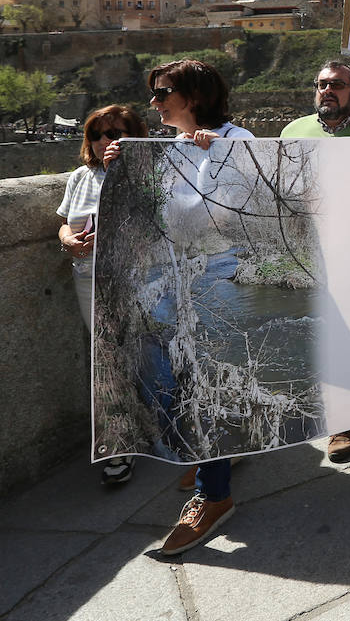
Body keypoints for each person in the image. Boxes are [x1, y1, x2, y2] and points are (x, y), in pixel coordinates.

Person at [145, 59, 255, 556]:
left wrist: (220, 159)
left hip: (222, 281)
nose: (155, 101)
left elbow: (237, 215)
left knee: (204, 381)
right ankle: (222, 455)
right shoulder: (169, 151)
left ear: (194, 96)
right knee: (182, 379)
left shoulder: (239, 142)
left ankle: (212, 496)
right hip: (179, 283)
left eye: (163, 92)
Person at [281, 61, 350, 464]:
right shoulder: (292, 132)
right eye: (321, 84)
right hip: (312, 252)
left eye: (337, 85)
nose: (327, 91)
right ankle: (340, 416)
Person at [58, 104, 148, 486]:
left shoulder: (144, 173)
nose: (103, 141)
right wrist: (69, 241)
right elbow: (64, 222)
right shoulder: (81, 176)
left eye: (113, 133)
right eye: (96, 134)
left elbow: (152, 221)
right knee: (107, 359)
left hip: (135, 280)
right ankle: (123, 442)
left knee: (135, 356)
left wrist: (119, 171)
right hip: (88, 278)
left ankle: (140, 438)